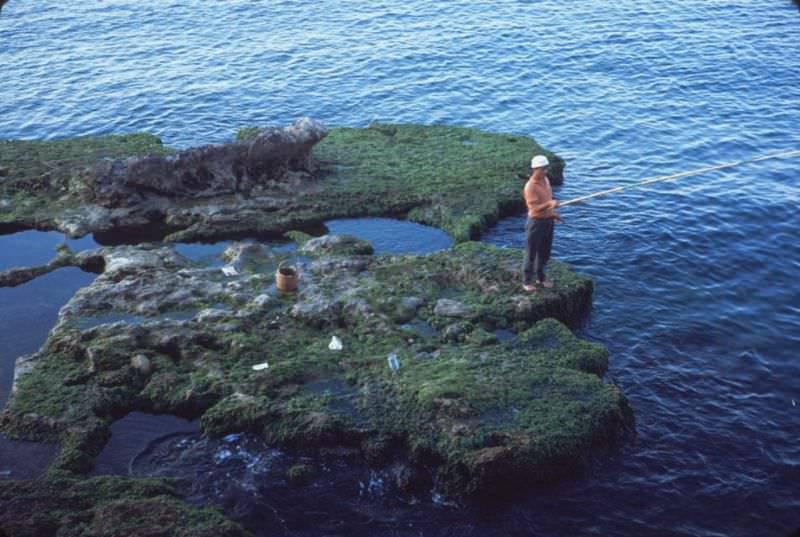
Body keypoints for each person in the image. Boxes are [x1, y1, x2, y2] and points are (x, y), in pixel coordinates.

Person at [522, 154, 560, 293]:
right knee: (531, 253)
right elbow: (534, 209)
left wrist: (553, 213)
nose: (546, 171)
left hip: (548, 221)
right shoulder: (530, 187)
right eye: (543, 169)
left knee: (545, 252)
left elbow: (547, 201)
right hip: (536, 223)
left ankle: (541, 278)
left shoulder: (546, 180)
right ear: (535, 169)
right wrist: (550, 204)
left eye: (546, 168)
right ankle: (526, 281)